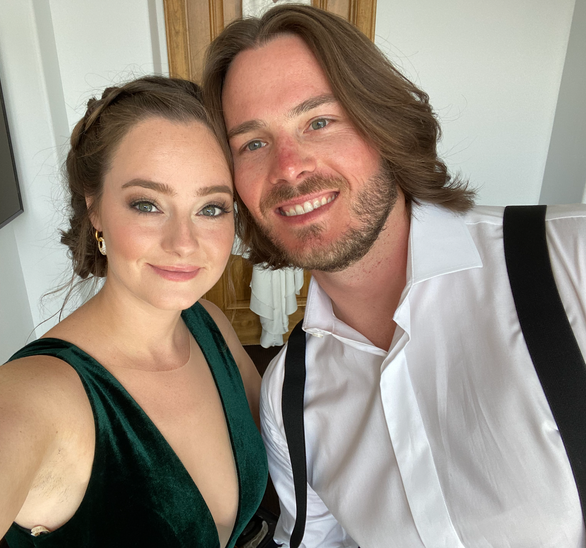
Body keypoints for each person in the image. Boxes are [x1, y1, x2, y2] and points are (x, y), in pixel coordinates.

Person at [202, 5, 586, 547]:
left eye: (319, 121)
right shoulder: (288, 393)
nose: (288, 167)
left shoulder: (571, 262)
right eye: (253, 144)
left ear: (382, 125)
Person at [0, 76, 268, 548]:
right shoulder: (38, 399)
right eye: (147, 204)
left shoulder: (211, 325)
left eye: (212, 208)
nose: (183, 243)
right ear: (95, 208)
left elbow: (285, 441)